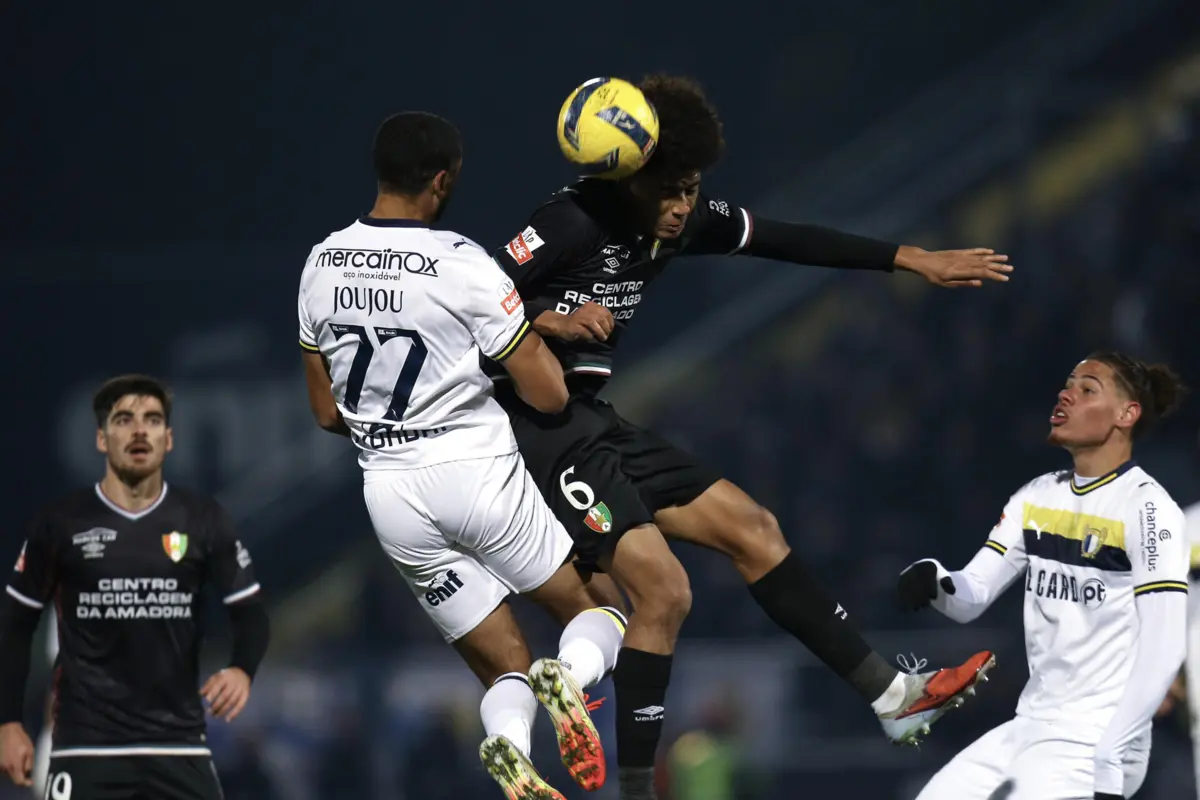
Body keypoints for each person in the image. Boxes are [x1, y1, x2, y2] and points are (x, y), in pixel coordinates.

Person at [489, 72, 1001, 793]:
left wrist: (909, 258)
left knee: (754, 528)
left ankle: (893, 698)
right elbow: (473, 293)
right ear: (632, 174)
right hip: (531, 429)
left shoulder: (686, 220)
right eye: (669, 190)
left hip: (592, 421)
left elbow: (788, 239)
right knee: (662, 594)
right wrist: (551, 320)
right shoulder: (572, 220)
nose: (681, 208)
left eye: (691, 189)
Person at [297, 111, 637, 800]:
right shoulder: (460, 263)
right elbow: (545, 394)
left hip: (390, 496)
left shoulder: (322, 261)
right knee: (604, 609)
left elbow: (328, 410)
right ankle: (567, 681)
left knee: (501, 663)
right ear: (443, 179)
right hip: (477, 474)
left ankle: (511, 747)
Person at [896, 352, 1188, 799]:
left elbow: (1165, 647)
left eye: (1087, 389)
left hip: (1098, 738)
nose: (1065, 394)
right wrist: (934, 579)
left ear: (1126, 415)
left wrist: (1111, 753)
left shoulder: (1149, 509)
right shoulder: (1037, 496)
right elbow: (970, 596)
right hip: (1029, 726)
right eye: (1067, 384)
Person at [0, 375, 270, 799]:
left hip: (178, 747)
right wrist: (8, 723)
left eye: (152, 419)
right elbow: (15, 624)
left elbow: (250, 612)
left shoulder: (202, 520)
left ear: (170, 438)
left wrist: (242, 669)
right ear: (101, 439)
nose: (140, 430)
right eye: (124, 420)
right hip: (85, 749)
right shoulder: (61, 524)